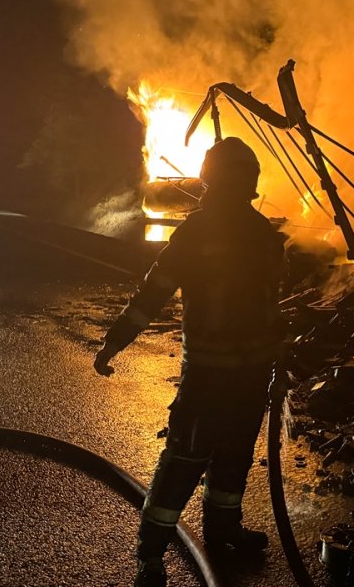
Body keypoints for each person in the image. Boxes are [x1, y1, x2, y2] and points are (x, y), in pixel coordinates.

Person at [94, 137, 286, 587]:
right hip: (220, 375)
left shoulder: (249, 235)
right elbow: (154, 295)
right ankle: (154, 553)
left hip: (239, 374)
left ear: (207, 180)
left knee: (224, 457)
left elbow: (268, 307)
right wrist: (114, 342)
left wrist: (113, 343)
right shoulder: (243, 234)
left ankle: (214, 535)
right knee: (194, 458)